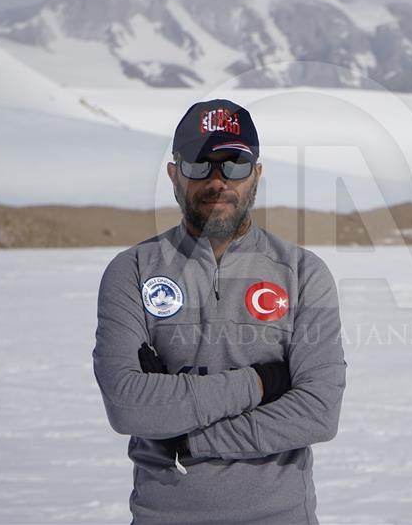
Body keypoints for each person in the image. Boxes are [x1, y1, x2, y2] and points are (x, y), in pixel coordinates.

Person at [92, 99, 347, 524]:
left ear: (257, 175)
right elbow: (127, 406)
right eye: (199, 165)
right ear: (174, 174)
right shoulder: (132, 272)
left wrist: (189, 438)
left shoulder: (303, 275)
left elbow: (318, 411)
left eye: (234, 165)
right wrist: (262, 383)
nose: (217, 181)